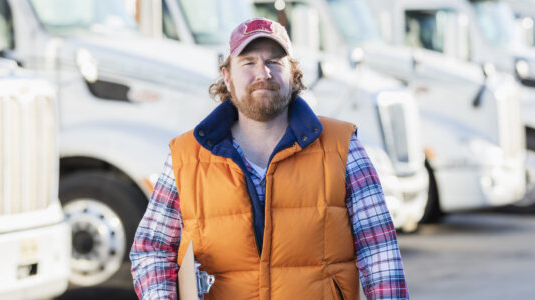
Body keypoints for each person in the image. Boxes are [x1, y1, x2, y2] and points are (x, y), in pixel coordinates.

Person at [130, 18, 408, 300]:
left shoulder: (343, 148)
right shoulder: (185, 157)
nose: (263, 73)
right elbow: (152, 249)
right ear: (227, 76)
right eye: (248, 63)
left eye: (275, 62)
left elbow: (379, 253)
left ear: (293, 73)